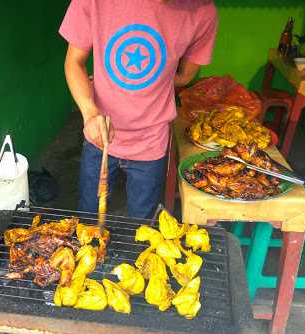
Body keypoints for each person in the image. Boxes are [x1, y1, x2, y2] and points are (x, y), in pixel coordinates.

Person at [60, 0, 218, 218]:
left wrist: (133, 81)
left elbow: (185, 77)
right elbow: (73, 63)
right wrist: (90, 113)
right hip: (100, 134)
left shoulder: (202, 10)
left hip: (151, 141)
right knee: (88, 219)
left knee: (142, 228)